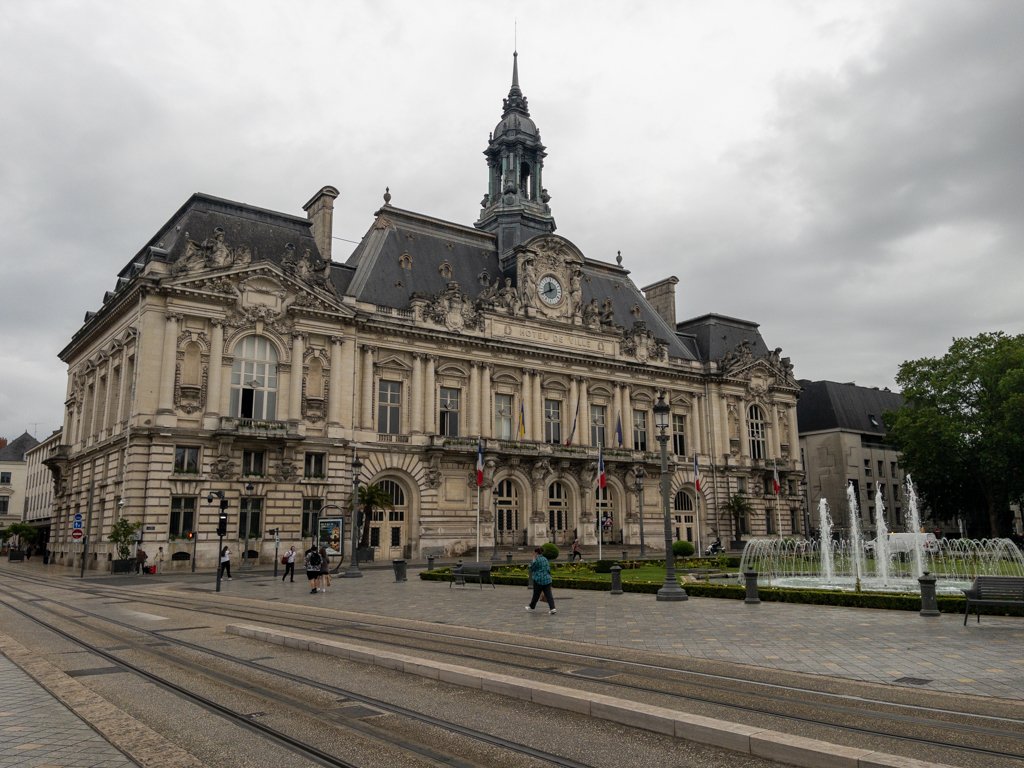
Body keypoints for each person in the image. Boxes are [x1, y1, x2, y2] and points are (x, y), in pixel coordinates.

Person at [525, 547, 556, 615]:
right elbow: (548, 569)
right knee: (548, 595)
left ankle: (531, 606)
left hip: (539, 579)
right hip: (547, 579)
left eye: (534, 552)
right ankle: (553, 608)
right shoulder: (545, 559)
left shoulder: (537, 559)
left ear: (536, 553)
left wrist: (533, 559)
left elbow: (531, 568)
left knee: (536, 594)